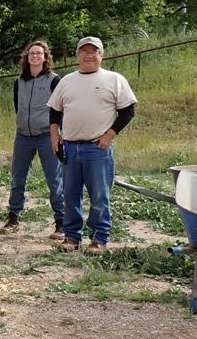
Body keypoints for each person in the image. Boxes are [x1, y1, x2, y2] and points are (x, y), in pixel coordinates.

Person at [49, 37, 137, 254]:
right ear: (77, 55)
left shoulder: (114, 79)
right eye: (84, 51)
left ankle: (99, 238)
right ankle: (71, 237)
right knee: (70, 195)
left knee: (99, 195)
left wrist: (110, 134)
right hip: (70, 146)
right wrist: (54, 134)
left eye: (94, 51)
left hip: (97, 148)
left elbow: (128, 111)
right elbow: (55, 110)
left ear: (101, 54)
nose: (89, 55)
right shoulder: (67, 81)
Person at [2, 40, 65, 238]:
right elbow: (17, 106)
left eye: (39, 53)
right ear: (26, 58)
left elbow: (60, 108)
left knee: (54, 179)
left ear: (46, 57)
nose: (35, 56)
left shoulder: (54, 80)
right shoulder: (19, 81)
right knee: (18, 178)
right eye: (31, 53)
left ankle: (61, 222)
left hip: (47, 135)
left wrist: (57, 132)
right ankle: (14, 218)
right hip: (23, 136)